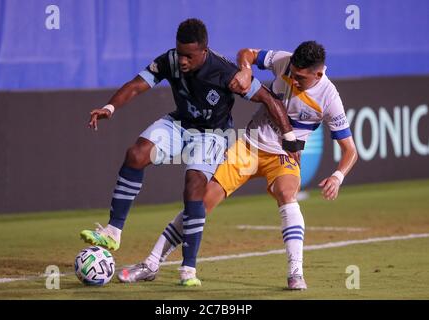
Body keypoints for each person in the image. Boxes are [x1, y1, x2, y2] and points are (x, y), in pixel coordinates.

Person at [118, 41, 358, 290]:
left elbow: (350, 150)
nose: (293, 79)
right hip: (248, 148)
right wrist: (245, 68)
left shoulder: (330, 98)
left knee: (287, 193)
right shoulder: (284, 61)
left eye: (301, 77)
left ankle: (295, 271)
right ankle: (152, 262)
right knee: (200, 202)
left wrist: (337, 176)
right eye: (292, 74)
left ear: (318, 74)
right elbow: (248, 53)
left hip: (282, 156)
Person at [80, 18, 302, 286]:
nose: (182, 60)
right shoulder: (170, 60)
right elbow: (136, 84)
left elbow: (269, 99)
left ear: (204, 51)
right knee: (136, 155)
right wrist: (110, 107)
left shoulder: (225, 71)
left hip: (213, 133)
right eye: (180, 52)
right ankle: (113, 231)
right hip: (180, 123)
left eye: (189, 55)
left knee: (194, 184)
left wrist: (289, 138)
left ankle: (188, 268)